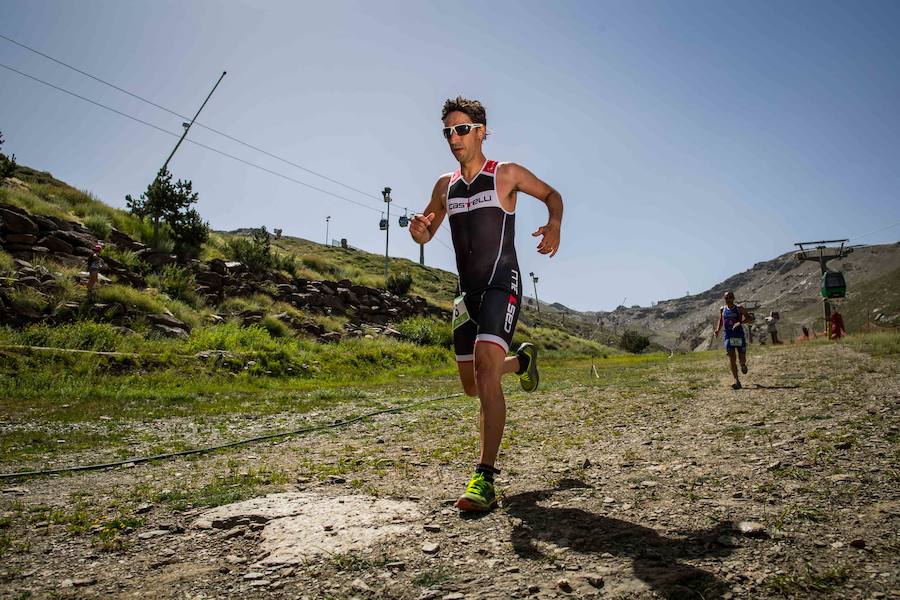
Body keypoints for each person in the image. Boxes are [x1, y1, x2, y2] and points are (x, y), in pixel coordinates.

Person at [409, 97, 564, 512]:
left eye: (461, 129)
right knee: (473, 384)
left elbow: (552, 195)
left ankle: (484, 476)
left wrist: (554, 224)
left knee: (483, 371)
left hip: (502, 283)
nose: (453, 138)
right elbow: (425, 234)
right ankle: (521, 363)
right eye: (447, 131)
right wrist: (418, 230)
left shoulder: (505, 175)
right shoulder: (445, 186)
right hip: (466, 293)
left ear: (481, 130)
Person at [714, 291, 749, 390]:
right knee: (731, 358)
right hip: (728, 336)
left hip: (738, 335)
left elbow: (749, 318)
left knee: (741, 357)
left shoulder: (739, 308)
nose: (728, 300)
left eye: (730, 297)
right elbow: (721, 320)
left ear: (733, 298)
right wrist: (717, 330)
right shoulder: (722, 309)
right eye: (726, 298)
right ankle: (736, 381)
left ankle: (742, 364)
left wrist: (740, 322)